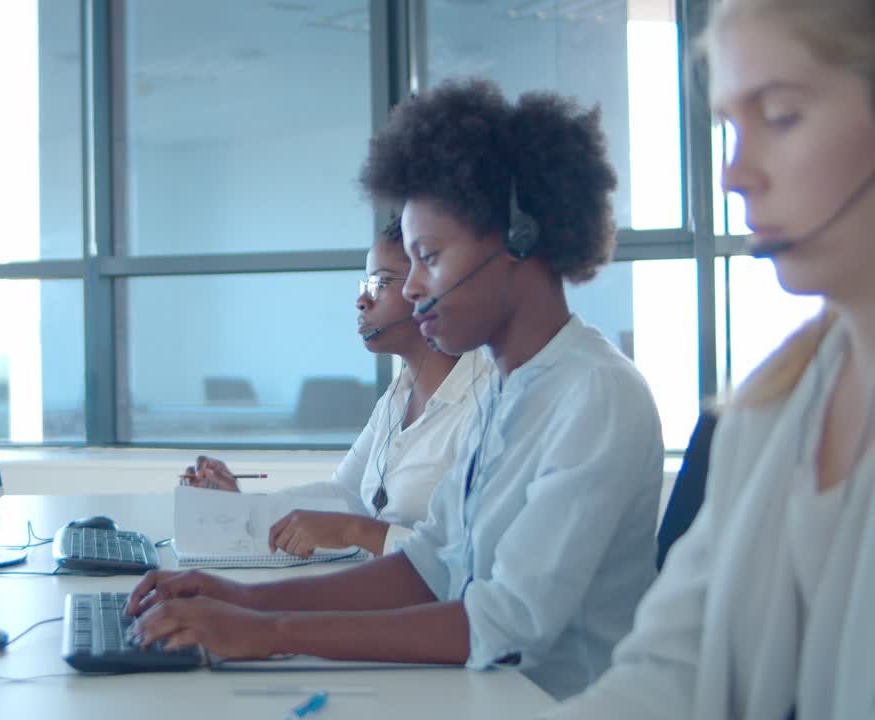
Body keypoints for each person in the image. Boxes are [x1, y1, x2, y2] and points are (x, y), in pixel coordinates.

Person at [127, 77, 664, 700]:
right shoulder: (506, 390)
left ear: (519, 241)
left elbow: (503, 626)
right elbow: (427, 567)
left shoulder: (594, 395)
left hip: (550, 704)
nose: (410, 287)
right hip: (481, 694)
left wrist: (268, 631)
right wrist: (241, 599)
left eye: (428, 256)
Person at [543, 1, 875, 717]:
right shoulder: (767, 409)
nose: (733, 175)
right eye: (730, 127)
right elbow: (668, 674)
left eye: (780, 116)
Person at [180, 219, 490, 558]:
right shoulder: (397, 396)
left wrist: (355, 531)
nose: (362, 300)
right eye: (365, 283)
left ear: (430, 285)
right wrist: (242, 505)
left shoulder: (484, 401)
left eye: (380, 283)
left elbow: (468, 555)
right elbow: (343, 495)